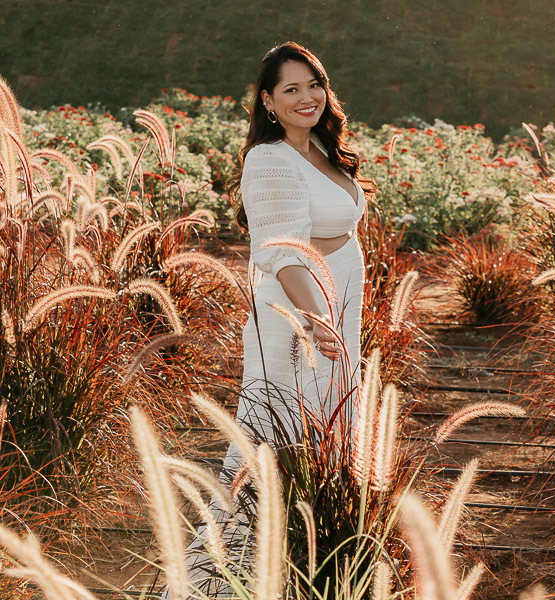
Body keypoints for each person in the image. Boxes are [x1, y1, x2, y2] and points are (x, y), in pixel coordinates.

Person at [170, 41, 372, 598]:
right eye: (291, 89)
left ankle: (297, 565)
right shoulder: (269, 159)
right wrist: (315, 318)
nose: (307, 97)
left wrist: (335, 315)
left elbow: (335, 234)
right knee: (270, 438)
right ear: (267, 100)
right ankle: (220, 576)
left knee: (326, 434)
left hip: (336, 311)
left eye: (315, 84)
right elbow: (282, 252)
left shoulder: (324, 152)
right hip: (297, 319)